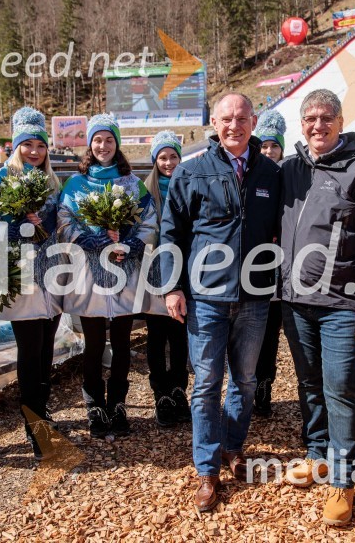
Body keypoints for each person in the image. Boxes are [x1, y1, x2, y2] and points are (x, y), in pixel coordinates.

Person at [159, 93, 282, 512]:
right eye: (227, 119)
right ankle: (207, 469)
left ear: (253, 120)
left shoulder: (270, 173)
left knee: (245, 381)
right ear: (214, 121)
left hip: (254, 295)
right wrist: (173, 287)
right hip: (206, 297)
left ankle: (233, 445)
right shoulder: (191, 172)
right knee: (207, 384)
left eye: (242, 118)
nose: (235, 125)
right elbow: (170, 233)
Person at [279, 89, 355, 526]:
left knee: (342, 389)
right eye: (309, 118)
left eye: (326, 118)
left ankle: (343, 483)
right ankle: (316, 452)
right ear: (301, 123)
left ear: (341, 122)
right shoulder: (290, 169)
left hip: (343, 304)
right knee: (308, 384)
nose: (317, 125)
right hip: (296, 300)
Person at [58, 114, 158, 439]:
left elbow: (149, 220)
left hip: (124, 272)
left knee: (122, 343)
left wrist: (129, 244)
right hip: (89, 272)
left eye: (109, 140)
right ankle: (94, 406)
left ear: (117, 144)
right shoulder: (76, 183)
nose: (103, 146)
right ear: (90, 144)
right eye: (98, 140)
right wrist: (92, 240)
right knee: (93, 343)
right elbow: (64, 221)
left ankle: (117, 404)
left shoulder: (132, 182)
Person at [0, 107, 63, 459]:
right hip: (18, 273)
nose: (34, 151)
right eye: (27, 144)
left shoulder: (53, 181)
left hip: (52, 273)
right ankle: (33, 424)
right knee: (29, 351)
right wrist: (11, 229)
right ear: (15, 147)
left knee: (46, 349)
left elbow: (61, 223)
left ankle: (42, 412)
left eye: (39, 145)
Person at [143, 130, 191, 427]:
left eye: (173, 156)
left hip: (182, 268)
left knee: (179, 334)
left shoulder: (187, 185)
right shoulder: (145, 191)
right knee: (156, 333)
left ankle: (178, 390)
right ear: (155, 160)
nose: (169, 162)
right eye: (163, 157)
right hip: (153, 270)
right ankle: (160, 393)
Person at [252, 109, 287, 417]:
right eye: (263, 146)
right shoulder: (253, 173)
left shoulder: (287, 174)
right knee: (254, 329)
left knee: (272, 329)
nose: (268, 151)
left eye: (273, 146)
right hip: (255, 264)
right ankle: (249, 382)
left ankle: (265, 383)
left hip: (283, 265)